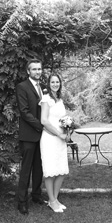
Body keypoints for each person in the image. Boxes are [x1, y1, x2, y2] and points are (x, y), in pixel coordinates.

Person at [15, 59, 46, 215]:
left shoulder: (43, 88)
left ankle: (36, 195)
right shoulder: (22, 87)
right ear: (28, 71)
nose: (37, 72)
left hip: (42, 136)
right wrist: (42, 126)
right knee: (26, 170)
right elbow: (24, 112)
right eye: (34, 69)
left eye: (39, 69)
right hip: (28, 136)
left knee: (39, 168)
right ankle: (22, 202)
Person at [39, 73, 69, 213]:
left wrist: (68, 131)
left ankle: (55, 199)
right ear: (48, 84)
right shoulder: (46, 99)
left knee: (61, 170)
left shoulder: (60, 99)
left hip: (61, 139)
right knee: (51, 172)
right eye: (53, 82)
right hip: (50, 138)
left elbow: (63, 120)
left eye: (57, 82)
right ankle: (51, 201)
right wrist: (59, 134)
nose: (55, 84)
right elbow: (44, 121)